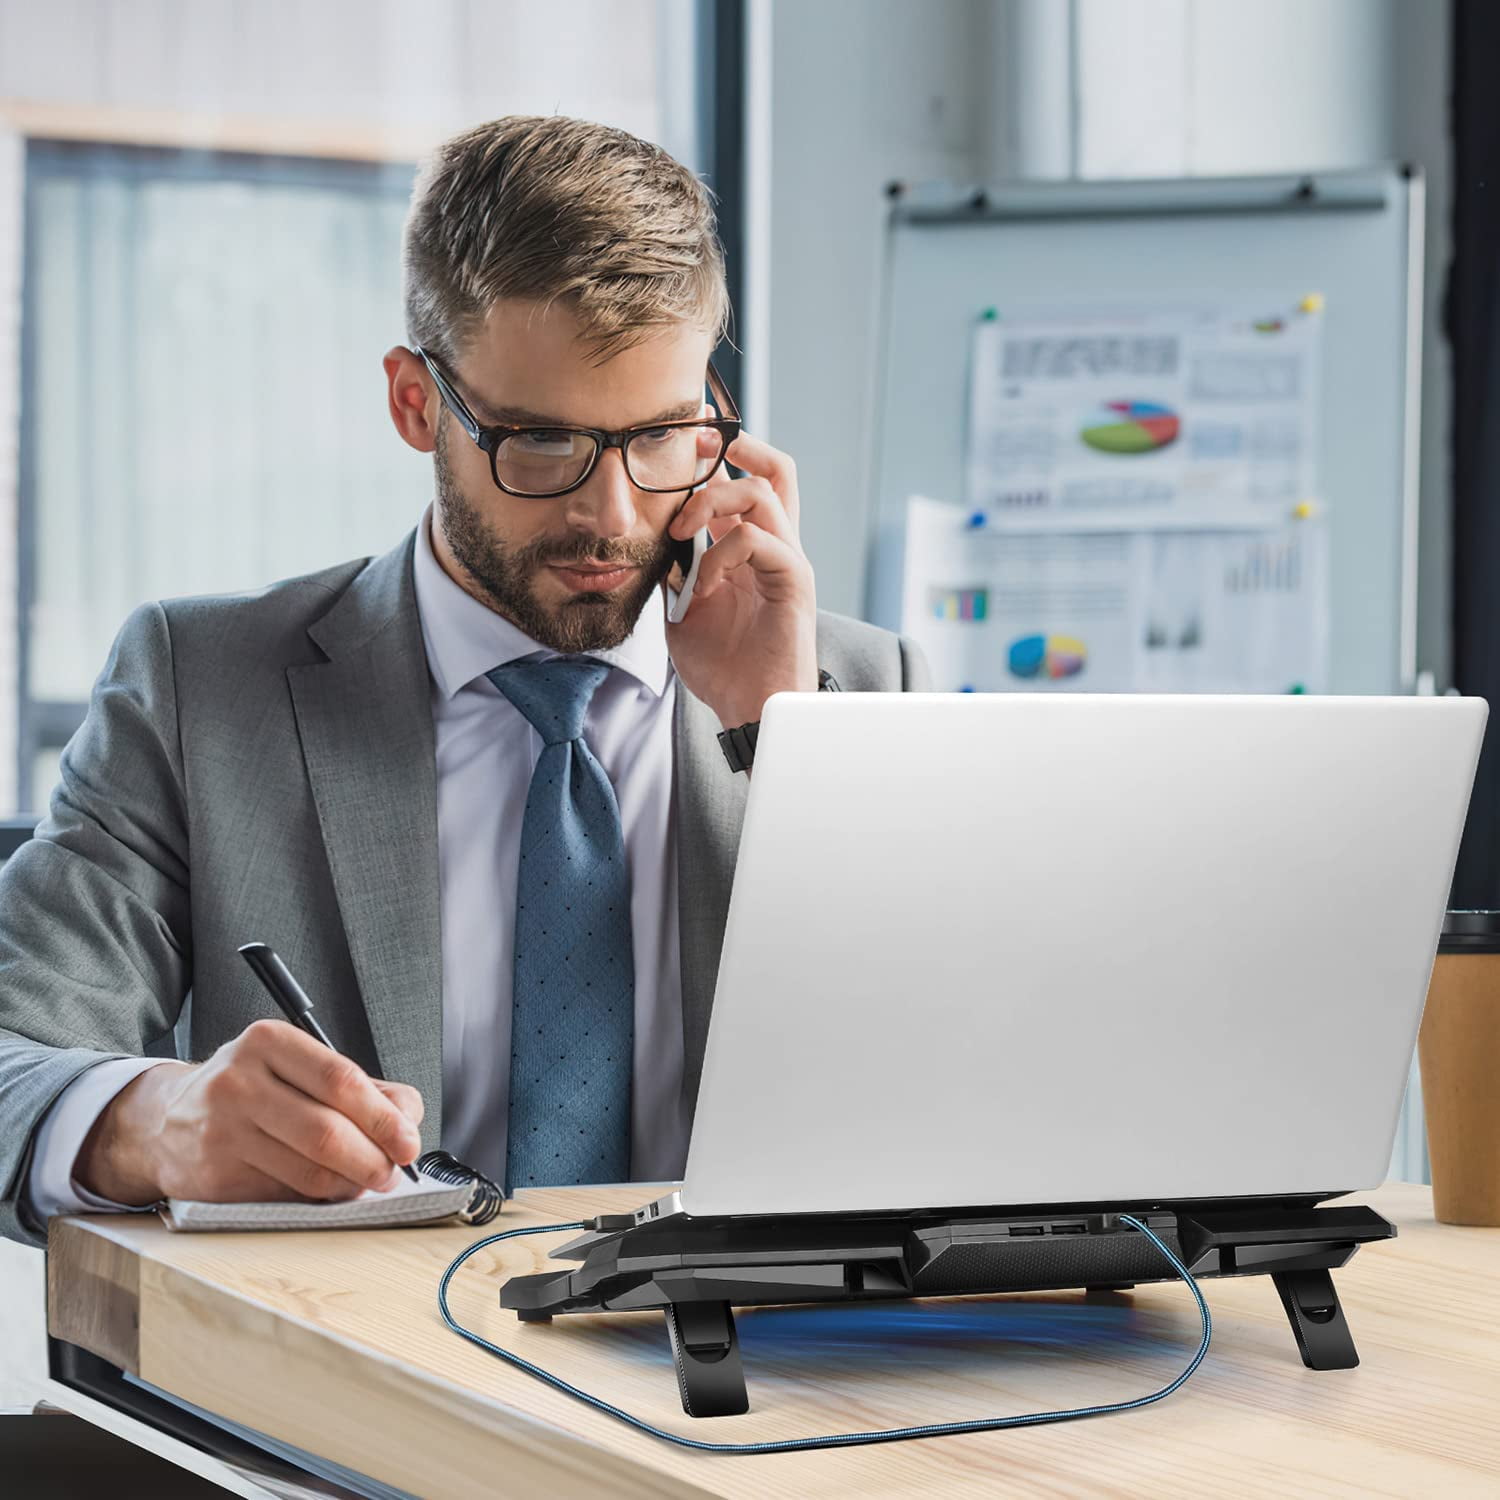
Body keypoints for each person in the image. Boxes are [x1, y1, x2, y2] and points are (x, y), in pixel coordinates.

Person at [0, 115, 928, 1247]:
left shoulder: (856, 690)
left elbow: (944, 1111)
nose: (613, 514)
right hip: (337, 1398)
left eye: (660, 437)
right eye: (540, 444)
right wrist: (154, 1118)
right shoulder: (201, 691)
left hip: (746, 1394)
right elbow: (13, 1054)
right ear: (414, 404)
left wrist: (781, 744)